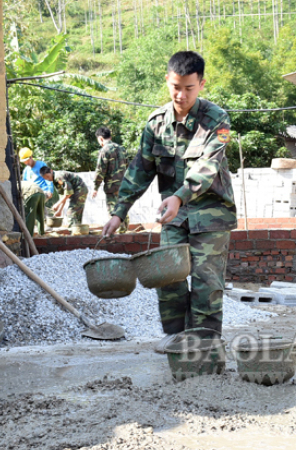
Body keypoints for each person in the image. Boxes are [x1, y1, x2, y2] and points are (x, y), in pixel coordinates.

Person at [102, 51, 236, 353]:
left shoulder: (217, 120)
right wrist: (119, 212)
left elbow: (207, 167)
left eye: (189, 88)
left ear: (201, 84)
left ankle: (204, 342)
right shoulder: (155, 124)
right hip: (173, 214)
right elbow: (140, 169)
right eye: (176, 87)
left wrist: (178, 196)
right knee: (167, 275)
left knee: (206, 280)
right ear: (167, 80)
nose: (181, 94)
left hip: (211, 213)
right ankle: (176, 336)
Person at [92, 126, 129, 233]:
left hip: (111, 188)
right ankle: (124, 232)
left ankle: (118, 234)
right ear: (110, 136)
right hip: (123, 185)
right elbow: (128, 166)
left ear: (100, 138)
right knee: (123, 208)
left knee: (113, 211)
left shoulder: (104, 150)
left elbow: (100, 171)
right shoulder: (122, 149)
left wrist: (95, 187)